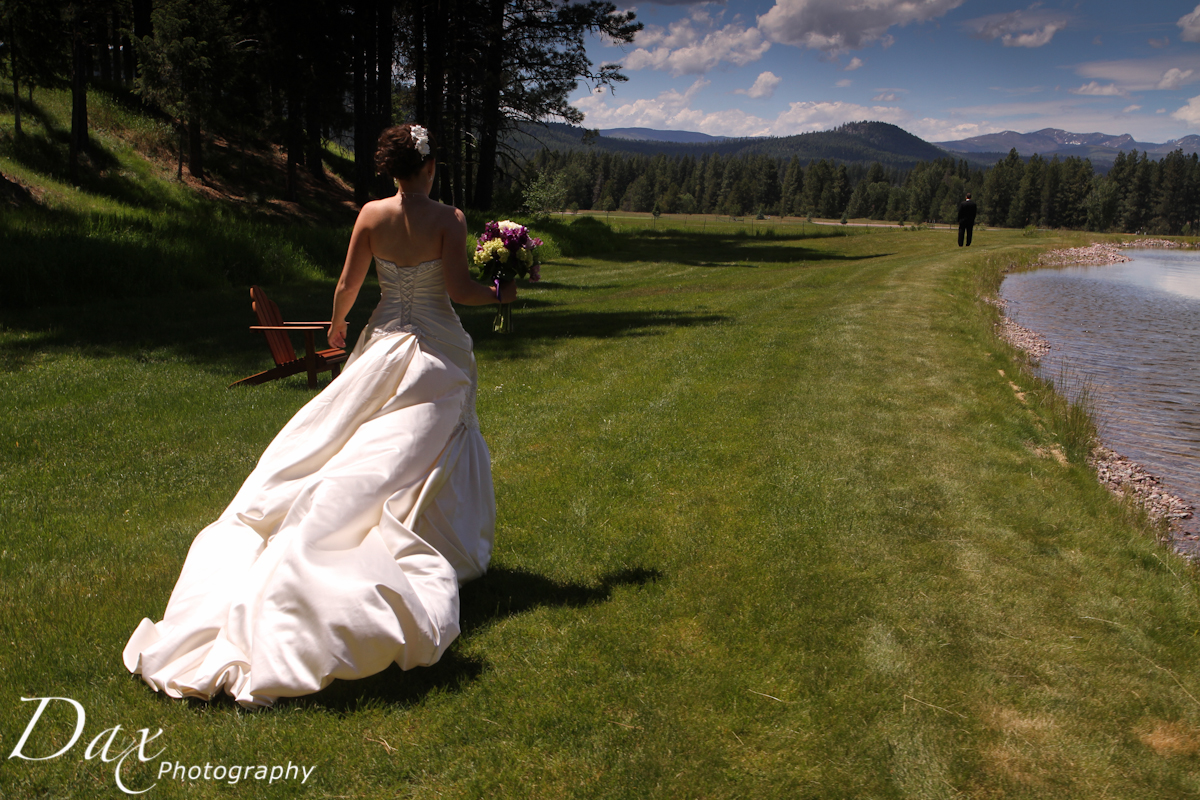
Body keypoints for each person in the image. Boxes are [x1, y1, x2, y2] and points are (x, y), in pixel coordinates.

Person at [123, 124, 515, 708]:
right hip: (434, 351)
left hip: (383, 342)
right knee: (417, 452)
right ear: (431, 167)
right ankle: (438, 542)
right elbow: (459, 291)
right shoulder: (449, 220)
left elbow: (348, 283)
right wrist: (504, 292)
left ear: (393, 169)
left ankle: (341, 522)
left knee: (354, 441)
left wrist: (337, 325)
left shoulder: (371, 216)